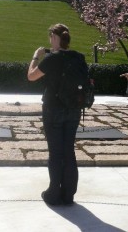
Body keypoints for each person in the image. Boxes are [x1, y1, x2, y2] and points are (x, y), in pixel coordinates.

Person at [27, 23, 88, 206]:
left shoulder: (52, 59)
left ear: (55, 38)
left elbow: (31, 76)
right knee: (69, 151)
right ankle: (68, 195)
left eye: (50, 37)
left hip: (53, 109)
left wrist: (35, 57)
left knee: (55, 152)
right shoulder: (79, 57)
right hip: (74, 110)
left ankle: (53, 194)